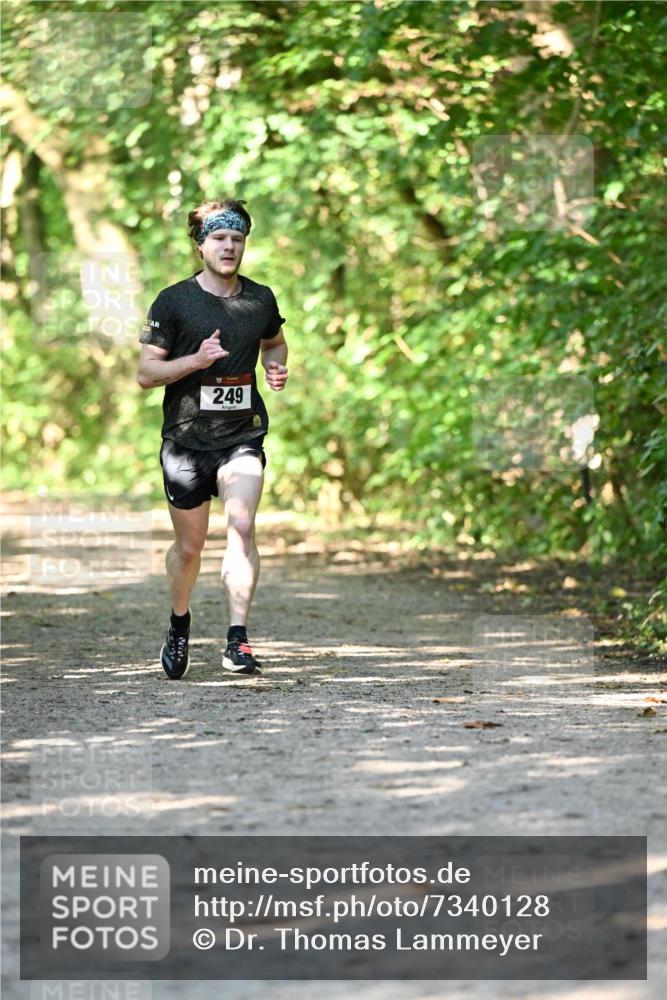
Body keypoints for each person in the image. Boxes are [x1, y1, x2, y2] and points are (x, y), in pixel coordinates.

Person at [137, 198, 288, 680]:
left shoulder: (260, 299)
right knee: (190, 548)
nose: (229, 247)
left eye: (237, 239)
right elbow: (146, 374)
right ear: (201, 246)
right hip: (185, 440)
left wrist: (275, 366)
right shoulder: (173, 301)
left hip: (242, 434)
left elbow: (274, 342)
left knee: (241, 526)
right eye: (220, 238)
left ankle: (237, 640)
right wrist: (197, 361)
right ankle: (179, 622)